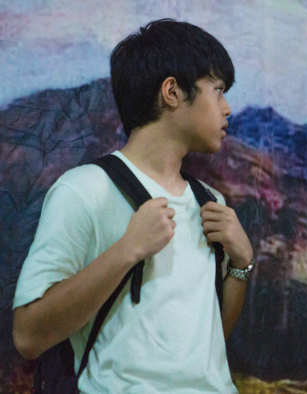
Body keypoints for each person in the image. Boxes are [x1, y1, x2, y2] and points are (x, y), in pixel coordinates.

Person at [12, 19, 253, 393]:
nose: (227, 108)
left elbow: (204, 349)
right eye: (218, 89)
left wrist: (241, 264)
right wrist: (127, 250)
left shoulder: (211, 203)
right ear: (172, 92)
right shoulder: (83, 191)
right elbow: (28, 335)